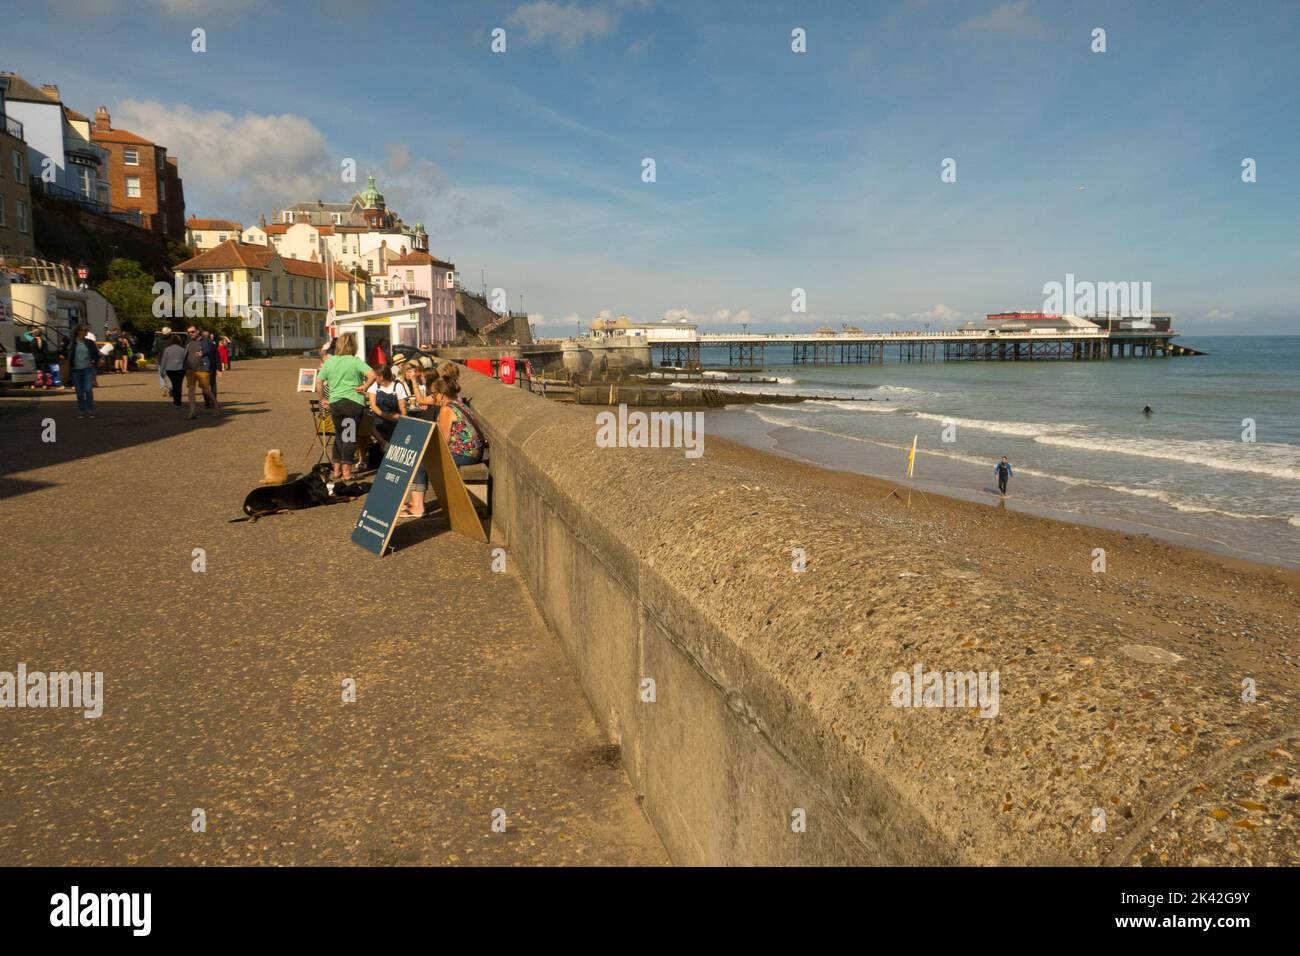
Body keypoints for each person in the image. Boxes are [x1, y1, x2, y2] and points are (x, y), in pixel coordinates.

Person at [400, 363, 484, 519]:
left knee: (419, 461)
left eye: (434, 394)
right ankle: (414, 502)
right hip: (474, 451)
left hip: (465, 454)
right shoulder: (459, 404)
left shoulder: (446, 409)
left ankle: (417, 507)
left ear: (442, 394)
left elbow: (442, 441)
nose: (434, 397)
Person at [317, 331, 371, 482]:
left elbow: (319, 382)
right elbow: (372, 374)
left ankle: (336, 471)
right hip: (353, 403)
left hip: (336, 403)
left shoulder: (330, 362)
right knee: (349, 437)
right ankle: (347, 473)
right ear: (353, 345)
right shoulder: (355, 361)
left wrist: (322, 399)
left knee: (340, 436)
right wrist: (364, 386)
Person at [183, 325, 221, 419]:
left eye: (192, 332)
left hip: (202, 369)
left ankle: (216, 406)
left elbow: (210, 348)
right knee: (191, 390)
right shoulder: (188, 341)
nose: (190, 334)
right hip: (190, 369)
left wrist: (202, 353)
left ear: (198, 331)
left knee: (206, 391)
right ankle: (192, 412)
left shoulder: (205, 341)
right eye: (189, 332)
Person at [365, 364, 408, 448]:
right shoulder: (374, 386)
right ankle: (383, 443)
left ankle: (389, 446)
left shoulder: (397, 386)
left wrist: (403, 421)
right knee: (368, 423)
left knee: (398, 424)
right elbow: (373, 406)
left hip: (394, 417)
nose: (373, 378)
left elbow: (402, 407)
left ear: (381, 377)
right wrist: (388, 417)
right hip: (378, 416)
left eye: (375, 376)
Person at [67, 324, 99, 418]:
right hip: (76, 370)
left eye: (86, 330)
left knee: (88, 389)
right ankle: (82, 411)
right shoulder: (72, 343)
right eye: (83, 330)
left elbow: (96, 354)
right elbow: (66, 353)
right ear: (78, 331)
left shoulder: (90, 342)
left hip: (87, 369)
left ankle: (89, 410)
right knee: (79, 392)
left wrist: (95, 361)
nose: (85, 332)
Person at [161, 334, 187, 407]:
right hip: (180, 369)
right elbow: (186, 360)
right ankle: (178, 402)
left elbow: (164, 360)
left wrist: (162, 371)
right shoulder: (183, 349)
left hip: (170, 369)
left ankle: (175, 402)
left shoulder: (167, 349)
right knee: (179, 385)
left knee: (174, 384)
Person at [154, 326, 173, 395]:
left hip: (161, 359)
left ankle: (163, 387)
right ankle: (171, 388)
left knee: (162, 375)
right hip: (170, 360)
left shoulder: (158, 340)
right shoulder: (172, 340)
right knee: (171, 375)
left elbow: (155, 350)